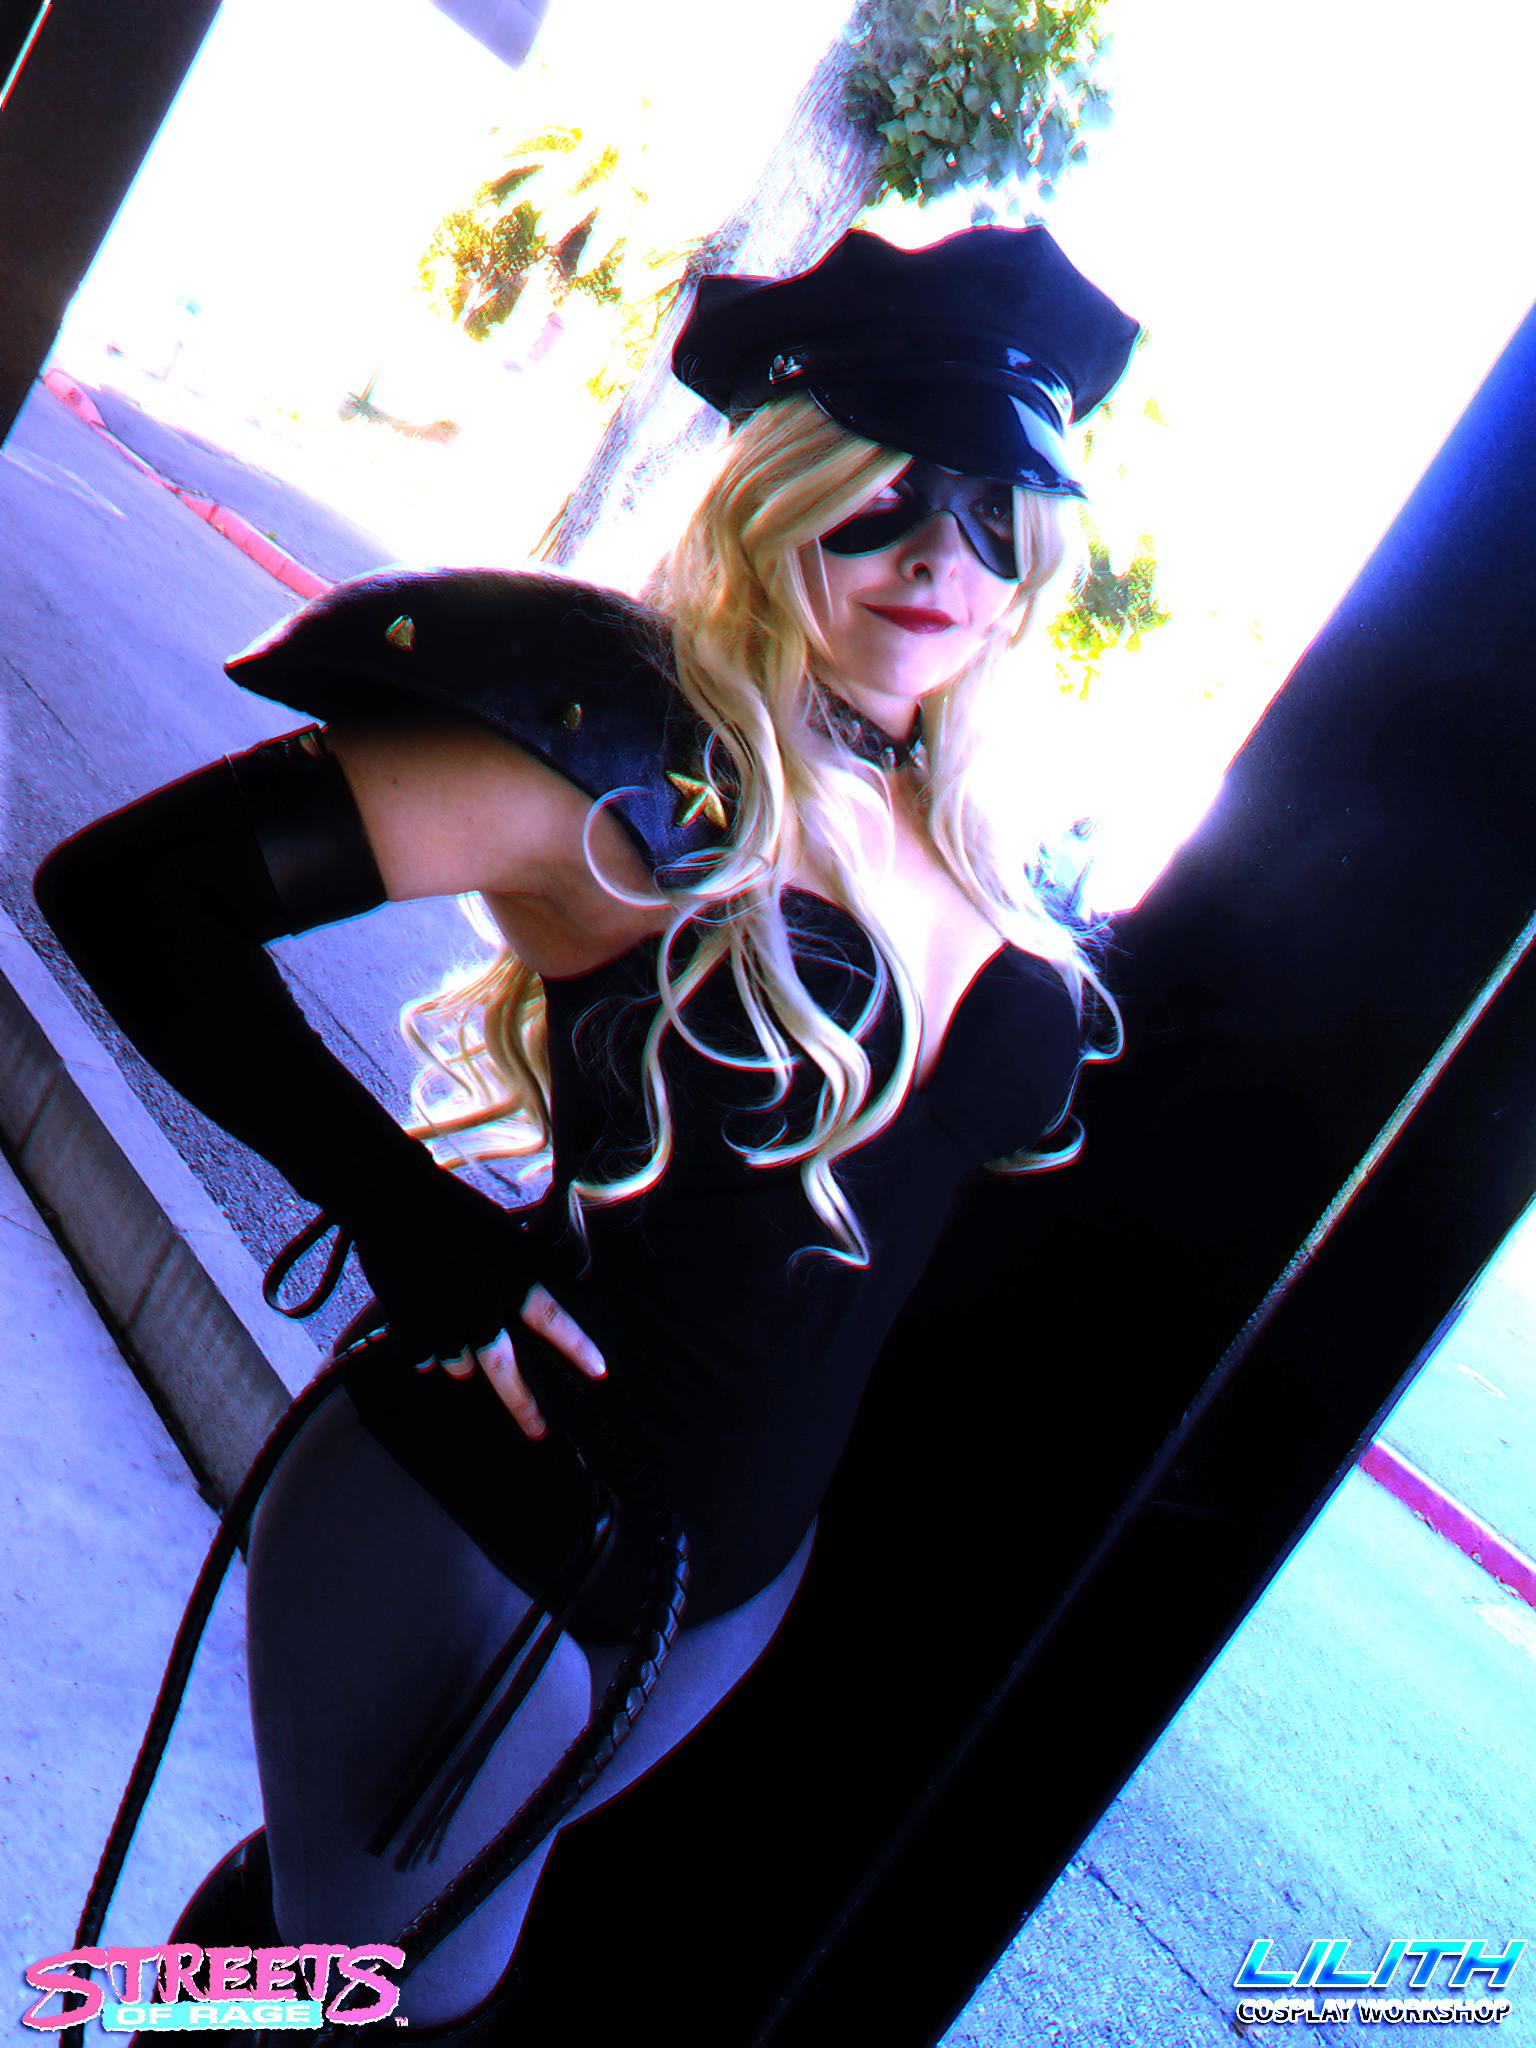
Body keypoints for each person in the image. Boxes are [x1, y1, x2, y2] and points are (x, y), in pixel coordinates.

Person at [35, 224, 1137, 2039]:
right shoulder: (627, 749)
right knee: (387, 2009)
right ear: (789, 497)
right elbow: (133, 893)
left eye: (993, 515)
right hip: (478, 1531)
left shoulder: (979, 850)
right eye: (890, 498)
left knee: (323, 1953)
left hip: (725, 1596)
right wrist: (406, 1216)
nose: (941, 557)